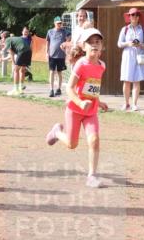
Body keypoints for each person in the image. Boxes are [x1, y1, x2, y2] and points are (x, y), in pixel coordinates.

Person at [45, 28, 109, 188]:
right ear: (84, 46)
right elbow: (69, 89)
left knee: (94, 140)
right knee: (71, 145)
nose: (95, 44)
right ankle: (57, 132)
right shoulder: (81, 64)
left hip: (91, 111)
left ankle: (92, 176)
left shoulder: (102, 66)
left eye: (98, 42)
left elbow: (92, 86)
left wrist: (98, 101)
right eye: (91, 42)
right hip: (75, 109)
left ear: (102, 47)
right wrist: (80, 103)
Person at [117, 7, 144, 110]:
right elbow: (119, 43)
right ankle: (126, 103)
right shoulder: (125, 29)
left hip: (139, 55)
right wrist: (128, 43)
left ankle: (134, 104)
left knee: (137, 80)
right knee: (126, 80)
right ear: (129, 16)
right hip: (128, 55)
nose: (134, 17)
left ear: (139, 17)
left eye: (136, 15)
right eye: (132, 15)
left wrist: (141, 45)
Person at [45, 17, 71, 97]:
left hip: (61, 55)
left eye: (60, 23)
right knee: (52, 72)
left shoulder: (64, 31)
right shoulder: (50, 31)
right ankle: (51, 89)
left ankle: (59, 89)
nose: (59, 24)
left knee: (60, 72)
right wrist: (46, 52)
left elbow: (69, 38)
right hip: (52, 55)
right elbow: (47, 42)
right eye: (58, 23)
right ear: (54, 23)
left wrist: (68, 39)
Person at [5, 27, 33, 95]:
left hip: (23, 51)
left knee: (16, 70)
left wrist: (14, 63)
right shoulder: (16, 38)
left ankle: (15, 89)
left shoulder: (8, 40)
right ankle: (20, 88)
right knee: (22, 70)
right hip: (28, 52)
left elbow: (11, 53)